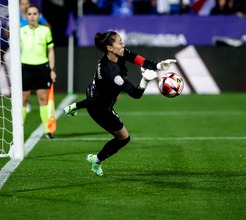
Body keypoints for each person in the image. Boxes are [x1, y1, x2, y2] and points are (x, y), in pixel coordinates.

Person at [63, 31, 176, 176]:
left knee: (111, 97)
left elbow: (138, 59)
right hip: (100, 108)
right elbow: (136, 94)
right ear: (110, 48)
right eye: (120, 42)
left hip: (95, 93)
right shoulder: (112, 73)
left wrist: (159, 65)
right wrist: (144, 81)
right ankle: (96, 160)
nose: (123, 45)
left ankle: (75, 106)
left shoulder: (118, 54)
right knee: (124, 137)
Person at [20, 4, 57, 139]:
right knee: (24, 99)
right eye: (29, 14)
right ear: (26, 16)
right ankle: (19, 130)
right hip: (25, 67)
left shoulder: (46, 31)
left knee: (43, 99)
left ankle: (48, 131)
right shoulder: (20, 31)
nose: (32, 16)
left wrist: (52, 70)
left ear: (39, 16)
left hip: (42, 68)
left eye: (35, 14)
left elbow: (51, 51)